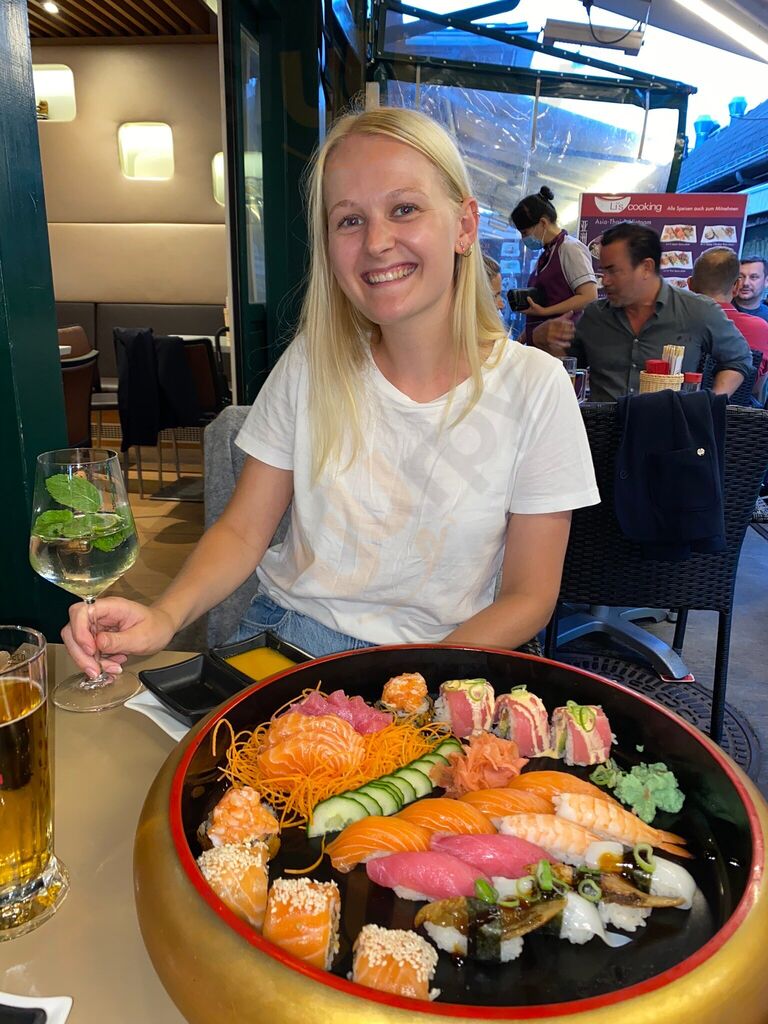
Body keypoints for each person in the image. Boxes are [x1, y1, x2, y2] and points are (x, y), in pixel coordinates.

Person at [62, 107, 599, 676]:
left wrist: (412, 684)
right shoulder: (312, 363)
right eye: (349, 220)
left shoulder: (536, 386)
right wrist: (163, 616)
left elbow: (527, 596)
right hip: (283, 639)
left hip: (444, 658)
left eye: (404, 209)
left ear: (464, 226)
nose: (377, 242)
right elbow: (243, 531)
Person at [531, 222, 753, 403]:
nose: (604, 281)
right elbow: (567, 368)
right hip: (604, 433)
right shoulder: (595, 316)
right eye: (603, 271)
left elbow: (739, 358)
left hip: (668, 433)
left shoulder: (697, 310)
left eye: (613, 271)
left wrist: (709, 404)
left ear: (646, 267)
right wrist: (545, 342)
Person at [509, 186, 597, 344]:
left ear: (543, 223)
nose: (524, 239)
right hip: (542, 345)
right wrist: (520, 341)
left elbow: (589, 296)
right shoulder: (546, 256)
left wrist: (545, 311)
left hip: (562, 345)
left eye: (525, 233)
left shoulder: (570, 248)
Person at [689, 247, 768, 398]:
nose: (746, 283)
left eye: (754, 277)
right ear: (736, 286)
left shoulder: (676, 320)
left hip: (679, 406)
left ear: (690, 284)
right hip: (735, 410)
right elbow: (756, 388)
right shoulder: (760, 328)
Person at [734, 256, 768, 325]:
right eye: (740, 277)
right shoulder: (719, 311)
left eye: (753, 277)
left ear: (766, 281)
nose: (745, 283)